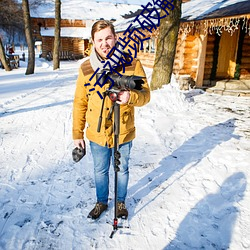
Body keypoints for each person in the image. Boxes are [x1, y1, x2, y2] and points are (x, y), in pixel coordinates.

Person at [72, 20, 150, 220]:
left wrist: (130, 97)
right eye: (100, 39)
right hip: (97, 133)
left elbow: (145, 95)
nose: (104, 43)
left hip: (123, 130)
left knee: (122, 168)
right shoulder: (86, 68)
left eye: (108, 38)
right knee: (100, 170)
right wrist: (77, 134)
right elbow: (80, 102)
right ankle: (101, 202)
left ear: (115, 38)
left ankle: (121, 202)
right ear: (93, 42)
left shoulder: (132, 64)